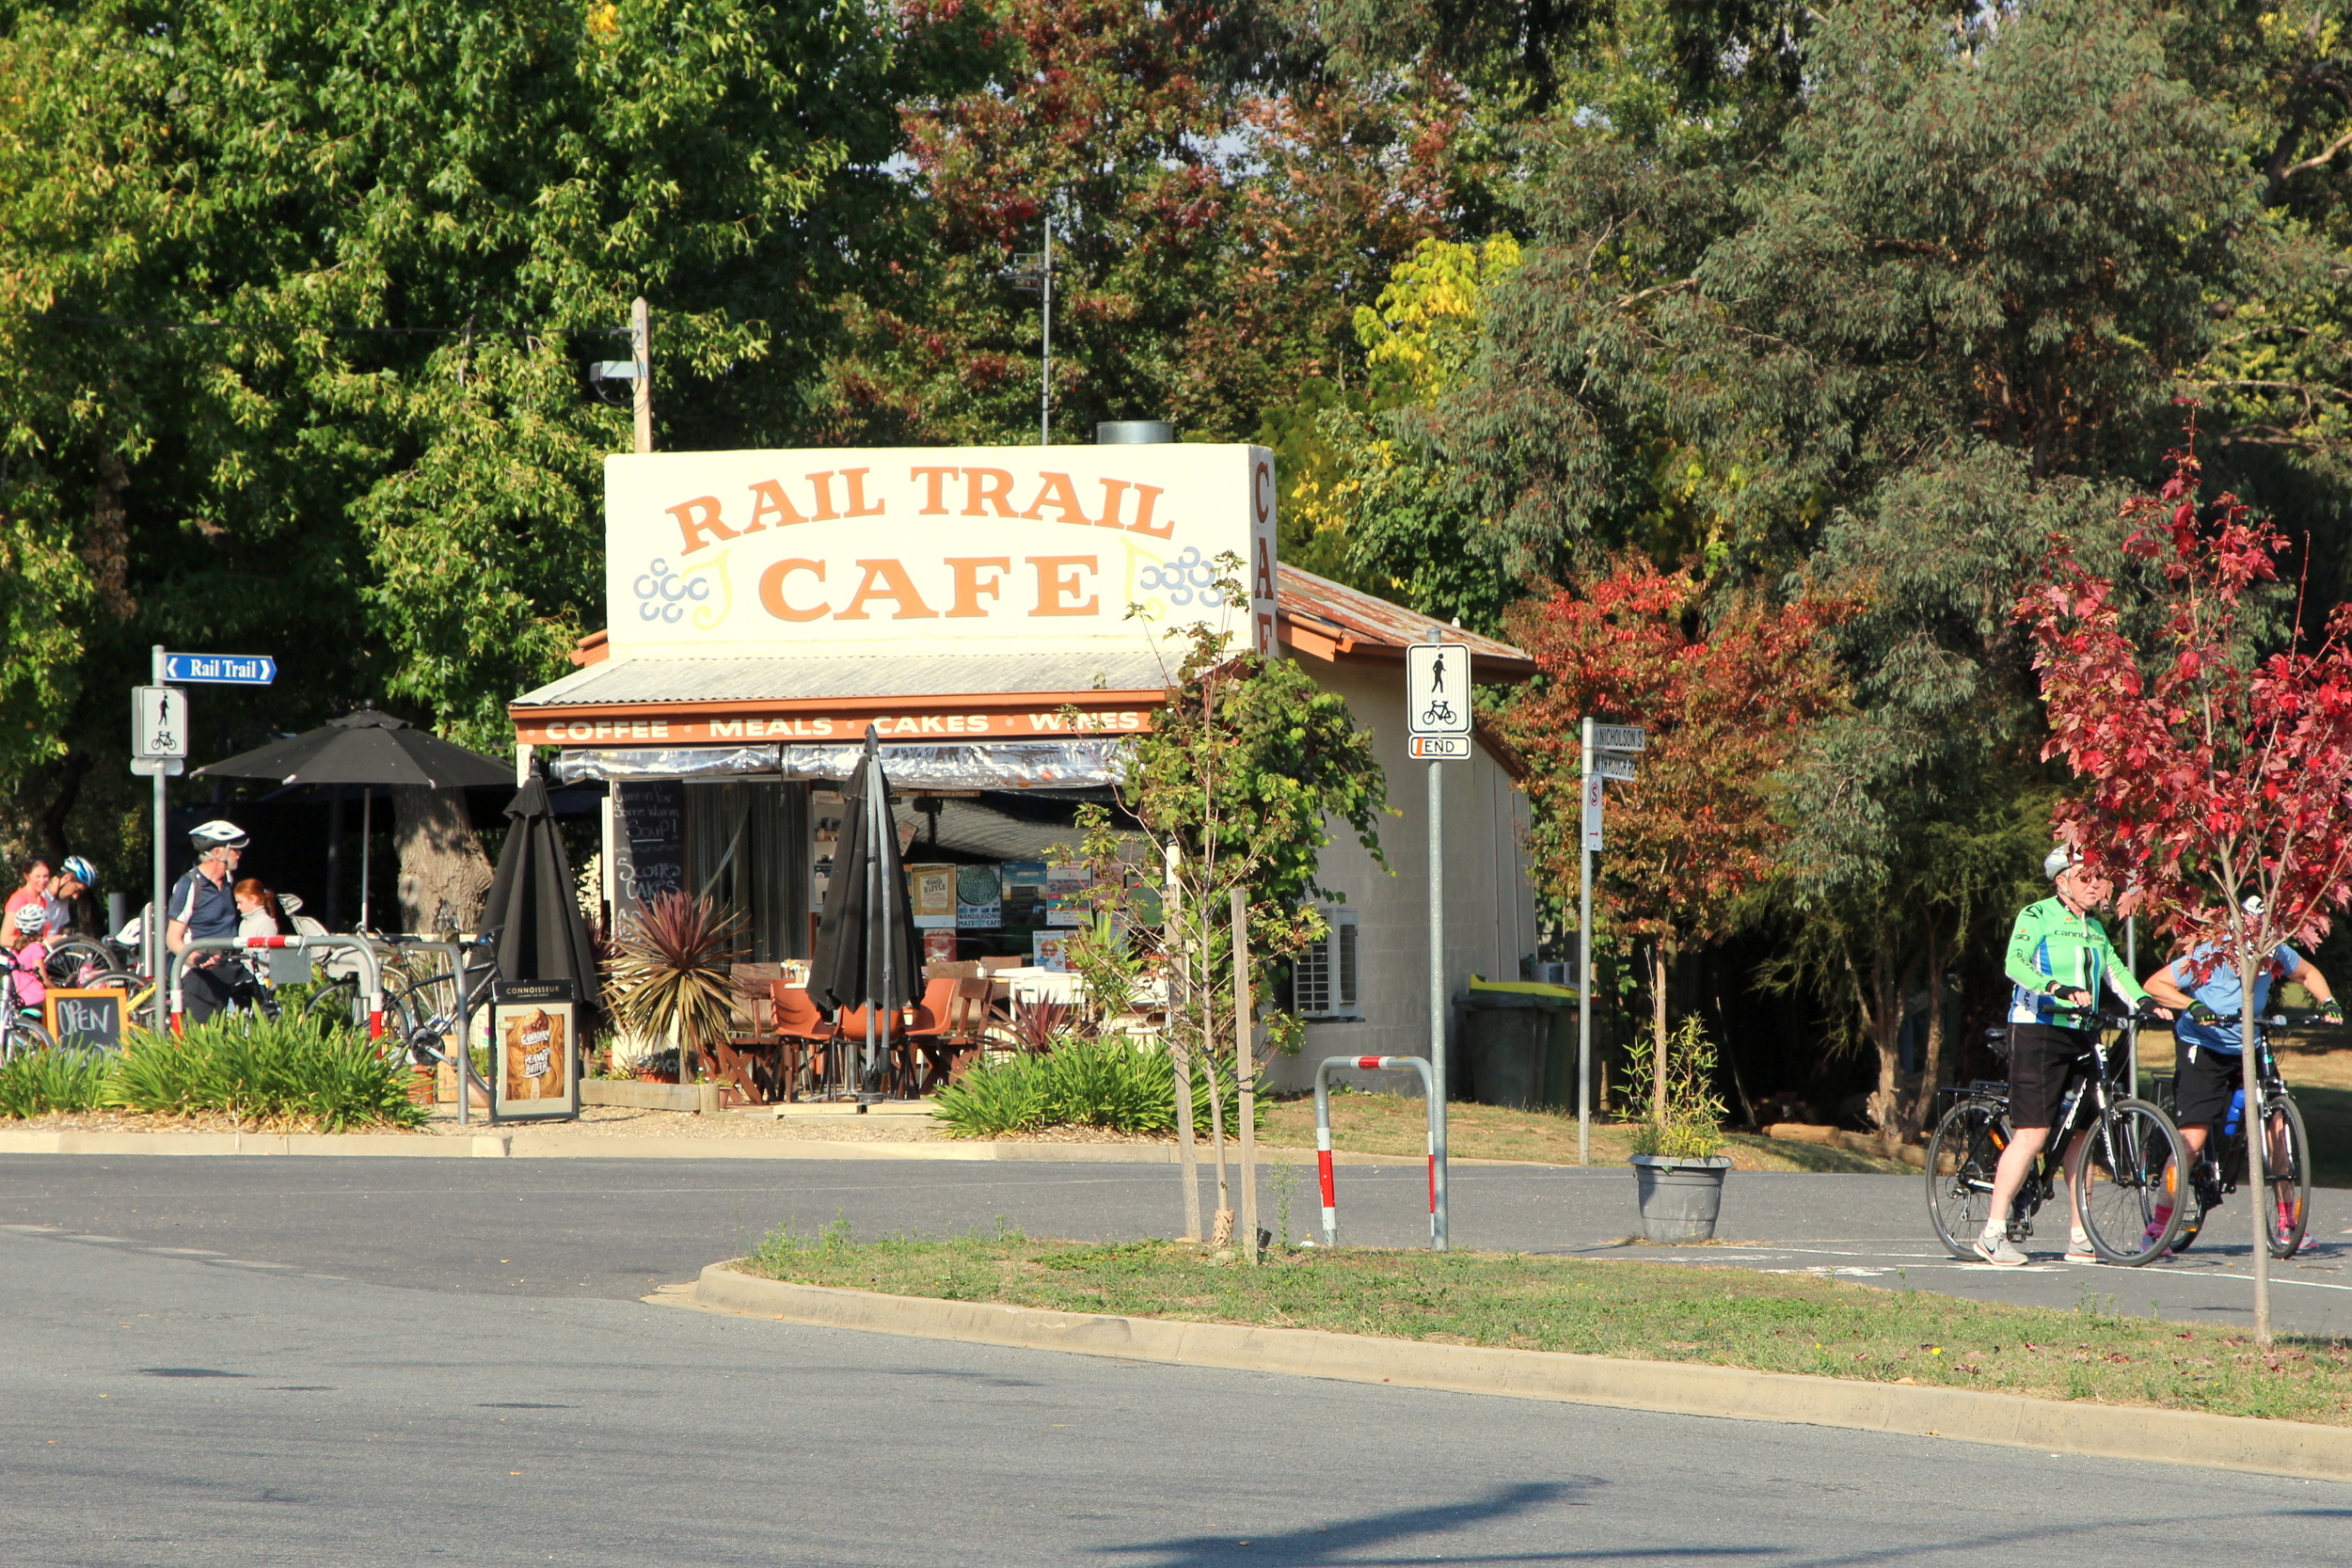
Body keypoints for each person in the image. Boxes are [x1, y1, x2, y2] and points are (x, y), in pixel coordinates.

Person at [1975, 846, 2164, 1267]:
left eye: (2099, 877)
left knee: (2083, 1135)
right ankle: (1992, 1233)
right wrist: (2055, 988)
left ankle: (2080, 1237)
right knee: (2034, 1133)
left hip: (2082, 1032)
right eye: (2085, 877)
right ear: (2061, 882)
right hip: (2037, 1030)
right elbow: (2015, 964)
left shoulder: (2095, 927)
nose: (2096, 885)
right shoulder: (2037, 915)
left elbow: (2116, 971)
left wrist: (2146, 1002)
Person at [2139, 899, 2340, 1253]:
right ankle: (2158, 1227)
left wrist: (2328, 1001)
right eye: (2252, 923)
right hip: (2204, 1046)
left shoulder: (2275, 950)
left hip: (2250, 1042)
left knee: (2277, 1127)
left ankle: (2287, 1222)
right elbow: (2156, 984)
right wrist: (2194, 1005)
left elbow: (2307, 973)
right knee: (2193, 1140)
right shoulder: (2211, 951)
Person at [166, 821, 252, 1022]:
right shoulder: (190, 884)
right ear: (218, 853)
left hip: (228, 966)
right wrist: (198, 958)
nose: (239, 854)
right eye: (234, 850)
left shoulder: (229, 882)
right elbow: (172, 939)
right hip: (200, 974)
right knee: (205, 1042)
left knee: (265, 1012)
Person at [4, 901, 48, 1015]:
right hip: (37, 998)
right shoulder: (35, 948)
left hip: (20, 999)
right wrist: (57, 990)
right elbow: (42, 978)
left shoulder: (14, 949)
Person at [44, 855, 96, 939]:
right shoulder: (39, 897)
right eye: (76, 890)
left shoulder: (63, 902)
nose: (75, 896)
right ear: (67, 878)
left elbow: (58, 935)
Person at [5, 858, 52, 927]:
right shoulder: (18, 899)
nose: (42, 881)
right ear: (26, 876)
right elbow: (5, 938)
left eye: (45, 876)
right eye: (37, 876)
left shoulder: (42, 901)